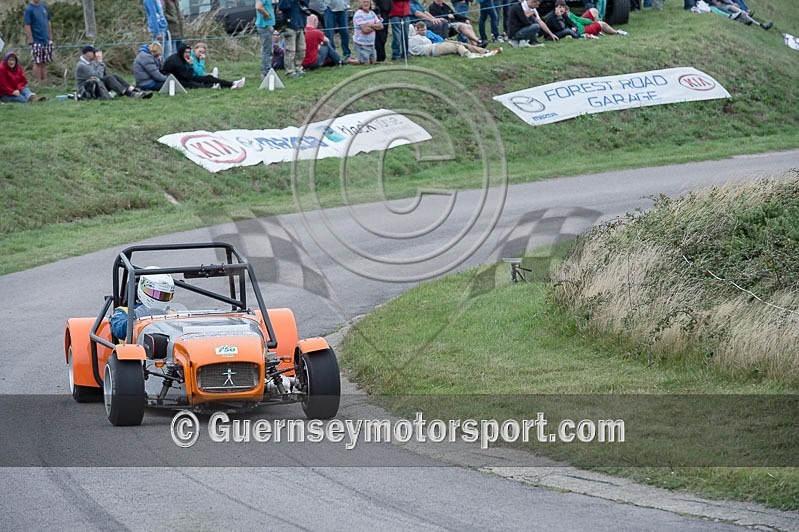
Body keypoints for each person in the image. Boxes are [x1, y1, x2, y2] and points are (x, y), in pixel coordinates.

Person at [110, 270, 175, 340]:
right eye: (155, 294)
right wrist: (135, 317)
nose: (160, 298)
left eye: (165, 296)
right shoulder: (124, 311)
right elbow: (119, 331)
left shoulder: (171, 313)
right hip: (135, 345)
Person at [76, 45, 153, 100]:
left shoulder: (92, 63)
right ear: (88, 53)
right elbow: (99, 76)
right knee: (109, 78)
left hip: (97, 85)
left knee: (114, 75)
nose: (95, 55)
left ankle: (134, 90)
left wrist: (100, 65)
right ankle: (130, 94)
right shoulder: (82, 65)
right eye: (93, 52)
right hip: (88, 91)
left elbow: (102, 74)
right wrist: (100, 62)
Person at [161, 43, 245, 89]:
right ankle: (214, 86)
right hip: (173, 80)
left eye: (189, 52)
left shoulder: (183, 58)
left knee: (208, 78)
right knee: (195, 84)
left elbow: (189, 75)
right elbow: (189, 77)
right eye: (185, 52)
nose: (187, 54)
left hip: (182, 77)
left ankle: (232, 83)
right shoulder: (177, 62)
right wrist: (191, 65)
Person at [408, 20, 497, 57]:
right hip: (438, 44)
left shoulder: (427, 33)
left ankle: (485, 51)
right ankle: (472, 55)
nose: (424, 31)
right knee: (458, 45)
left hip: (442, 41)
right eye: (422, 30)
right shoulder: (417, 38)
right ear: (416, 29)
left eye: (425, 29)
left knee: (463, 44)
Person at [24, 0, 53, 83]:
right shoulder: (29, 9)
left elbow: (48, 21)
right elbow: (27, 25)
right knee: (37, 62)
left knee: (44, 62)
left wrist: (50, 36)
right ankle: (38, 82)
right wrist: (31, 39)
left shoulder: (44, 6)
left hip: (46, 40)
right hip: (37, 40)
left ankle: (45, 82)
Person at [279, 0, 309, 76]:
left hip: (301, 24)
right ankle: (290, 71)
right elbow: (282, 6)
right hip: (289, 25)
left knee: (302, 49)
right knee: (290, 50)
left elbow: (306, 4)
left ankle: (298, 68)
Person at [352, 0, 384, 64]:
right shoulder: (358, 14)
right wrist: (375, 26)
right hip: (361, 44)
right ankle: (350, 60)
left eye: (368, 2)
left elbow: (381, 26)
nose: (366, 4)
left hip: (371, 44)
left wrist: (370, 25)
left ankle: (357, 59)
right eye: (364, 2)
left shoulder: (372, 13)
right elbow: (365, 30)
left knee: (373, 62)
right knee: (365, 64)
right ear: (360, 3)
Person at [707, 0, 773, 29]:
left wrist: (731, 3)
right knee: (734, 14)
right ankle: (743, 21)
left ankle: (760, 25)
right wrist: (714, 3)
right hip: (716, 6)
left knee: (742, 12)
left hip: (724, 4)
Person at [256, 0, 276, 78]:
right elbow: (258, 7)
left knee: (267, 50)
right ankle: (266, 72)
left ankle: (266, 70)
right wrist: (266, 14)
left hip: (267, 25)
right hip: (265, 26)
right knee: (267, 51)